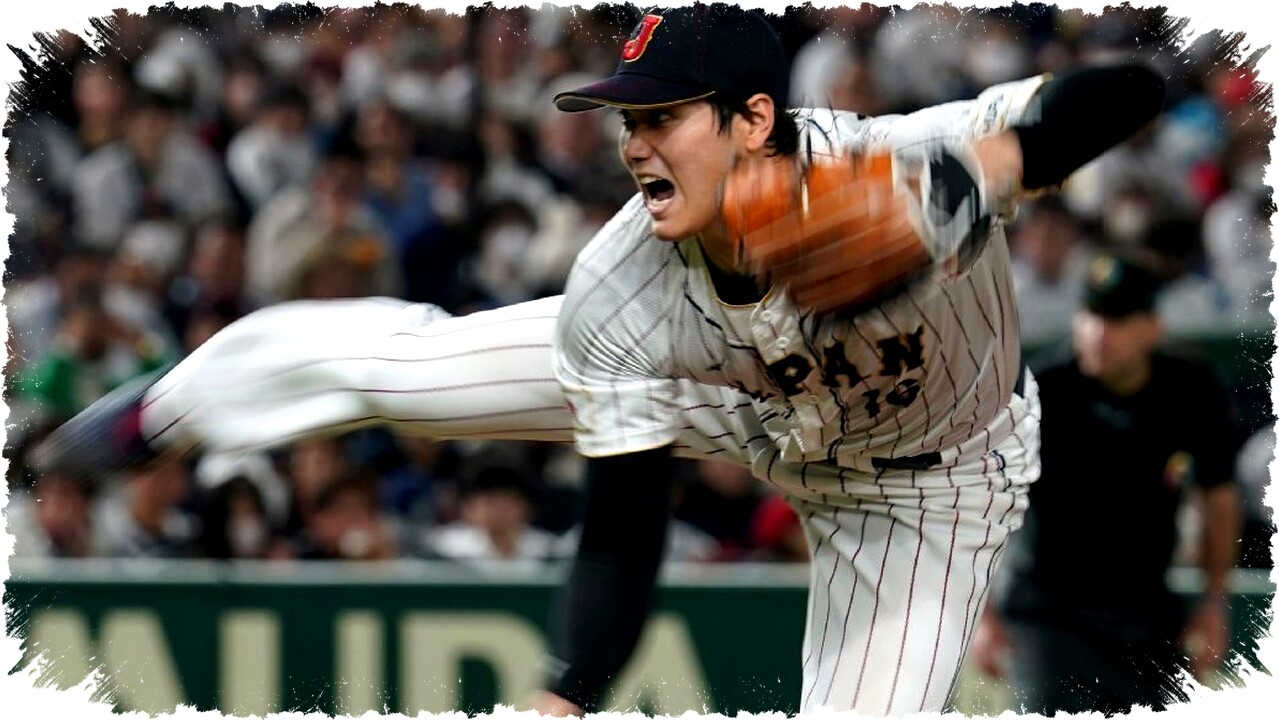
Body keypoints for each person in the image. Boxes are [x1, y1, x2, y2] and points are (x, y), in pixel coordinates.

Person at [34, 5, 1166, 715]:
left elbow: (1128, 90)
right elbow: (624, 524)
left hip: (927, 487)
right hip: (732, 399)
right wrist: (564, 696)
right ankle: (170, 407)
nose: (632, 143)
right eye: (626, 120)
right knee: (408, 372)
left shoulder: (901, 158)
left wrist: (981, 177)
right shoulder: (619, 282)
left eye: (662, 117)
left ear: (752, 119)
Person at [971, 252, 1242, 715]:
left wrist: (1215, 603)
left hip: (1146, 612)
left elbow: (1219, 498)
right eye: (1091, 315)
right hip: (1048, 612)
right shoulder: (1042, 390)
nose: (1098, 332)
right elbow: (984, 499)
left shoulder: (1191, 388)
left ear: (1152, 328)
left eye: (1117, 319)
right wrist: (983, 615)